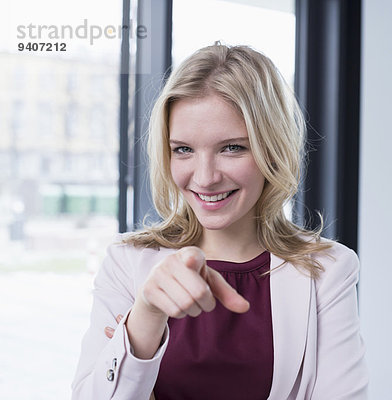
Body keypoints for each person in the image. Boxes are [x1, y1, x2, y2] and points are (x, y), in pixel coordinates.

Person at [71, 43, 368, 400]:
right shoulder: (127, 261)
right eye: (183, 149)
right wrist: (145, 316)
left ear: (271, 150)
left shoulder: (328, 270)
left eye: (232, 148)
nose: (206, 177)